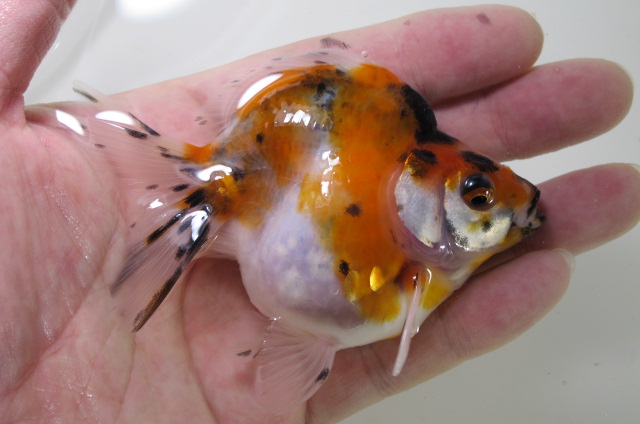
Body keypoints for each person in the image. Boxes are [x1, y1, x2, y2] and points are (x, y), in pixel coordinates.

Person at [1, 1, 638, 423]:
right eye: (475, 196)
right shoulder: (410, 249)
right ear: (420, 173)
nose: (490, 215)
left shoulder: (423, 260)